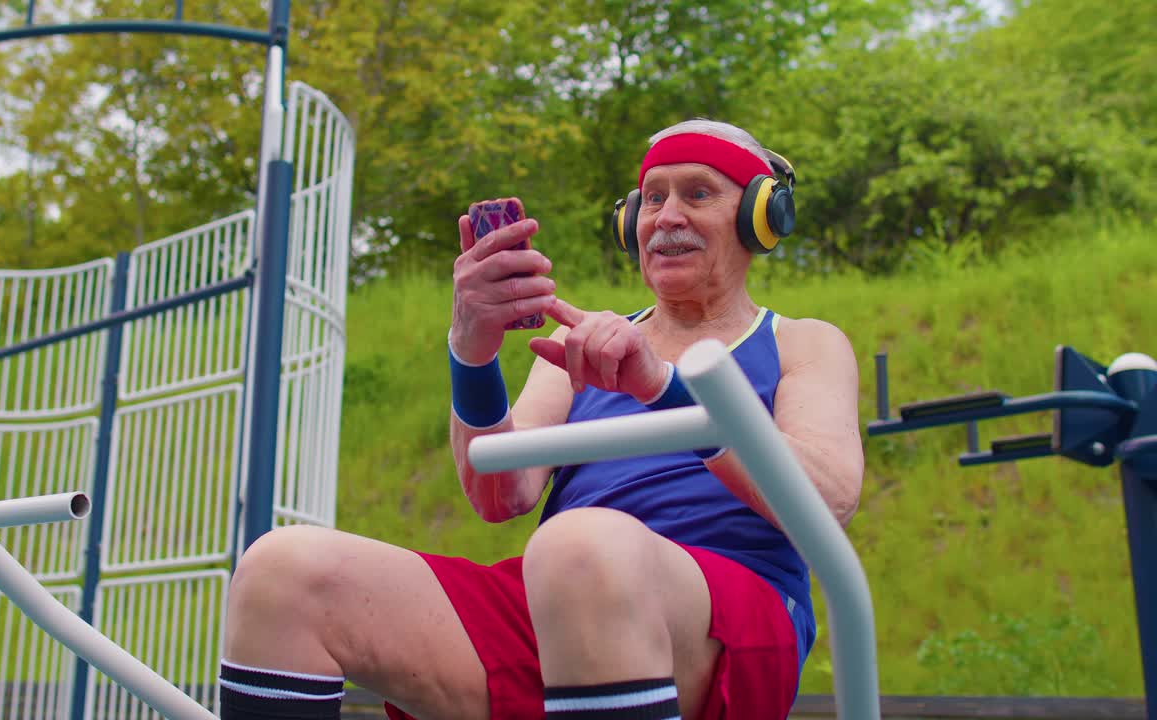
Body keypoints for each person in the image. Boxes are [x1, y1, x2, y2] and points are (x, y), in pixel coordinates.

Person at [219, 119, 865, 720]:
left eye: (698, 194)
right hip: (563, 603)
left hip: (730, 620)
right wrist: (471, 351)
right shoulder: (577, 346)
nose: (667, 217)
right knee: (283, 569)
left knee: (581, 545)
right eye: (652, 198)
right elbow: (501, 493)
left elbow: (827, 502)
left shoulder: (800, 342)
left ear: (761, 217)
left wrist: (661, 387)